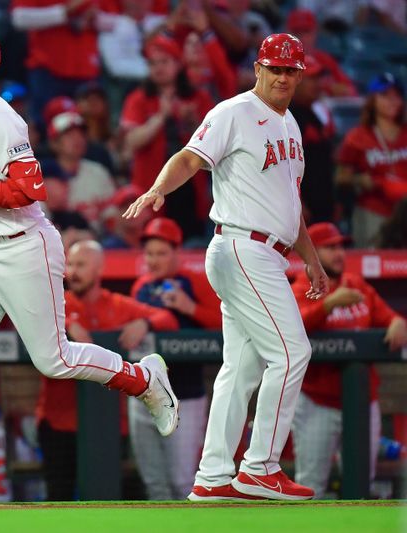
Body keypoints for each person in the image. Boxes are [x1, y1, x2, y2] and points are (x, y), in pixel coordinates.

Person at [0, 25, 179, 504]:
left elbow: (28, 189)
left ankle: (144, 378)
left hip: (23, 245)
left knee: (54, 359)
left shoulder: (1, 119)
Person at [123, 33, 330, 501]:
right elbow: (190, 159)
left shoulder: (291, 124)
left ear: (300, 74)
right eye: (274, 68)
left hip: (269, 253)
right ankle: (260, 468)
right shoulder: (232, 112)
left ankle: (214, 475)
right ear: (257, 68)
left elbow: (289, 203)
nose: (282, 76)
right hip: (241, 246)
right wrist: (158, 188)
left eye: (290, 69)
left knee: (240, 368)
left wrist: (311, 260)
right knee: (293, 352)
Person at [36, 240, 178, 500]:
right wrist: (65, 324)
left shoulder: (117, 304)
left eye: (81, 264)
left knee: (109, 497)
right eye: (70, 264)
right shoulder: (57, 304)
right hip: (59, 420)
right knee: (57, 496)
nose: (73, 271)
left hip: (110, 420)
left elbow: (167, 319)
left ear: (99, 269)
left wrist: (144, 324)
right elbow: (21, 321)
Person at [290, 222, 407, 498]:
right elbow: (291, 327)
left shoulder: (357, 286)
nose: (339, 253)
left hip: (363, 403)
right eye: (329, 248)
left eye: (340, 246)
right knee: (311, 485)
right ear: (311, 253)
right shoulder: (299, 289)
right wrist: (328, 304)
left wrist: (398, 321)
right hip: (317, 402)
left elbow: (388, 316)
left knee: (361, 484)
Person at [128, 217, 222, 500]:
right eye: (150, 253)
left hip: (186, 395)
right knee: (154, 483)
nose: (154, 260)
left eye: (161, 253)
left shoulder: (193, 283)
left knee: (182, 482)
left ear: (176, 253)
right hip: (145, 395)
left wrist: (188, 306)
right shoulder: (140, 287)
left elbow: (223, 323)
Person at [120, 34, 214, 243]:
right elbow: (132, 141)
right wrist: (160, 117)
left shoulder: (198, 98)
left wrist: (191, 122)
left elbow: (214, 145)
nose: (158, 68)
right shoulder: (138, 98)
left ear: (178, 64)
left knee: (193, 240)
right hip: (150, 184)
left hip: (190, 188)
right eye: (153, 63)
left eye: (164, 62)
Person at [335, 73, 407, 248]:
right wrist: (360, 180)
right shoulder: (357, 137)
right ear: (372, 100)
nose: (392, 101)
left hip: (405, 210)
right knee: (372, 260)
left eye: (396, 96)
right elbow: (340, 178)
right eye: (384, 96)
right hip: (373, 210)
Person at [289, 55, 336, 224]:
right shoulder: (288, 116)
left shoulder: (315, 115)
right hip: (303, 211)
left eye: (318, 78)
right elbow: (285, 166)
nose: (317, 85)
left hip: (321, 206)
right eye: (311, 79)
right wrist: (297, 203)